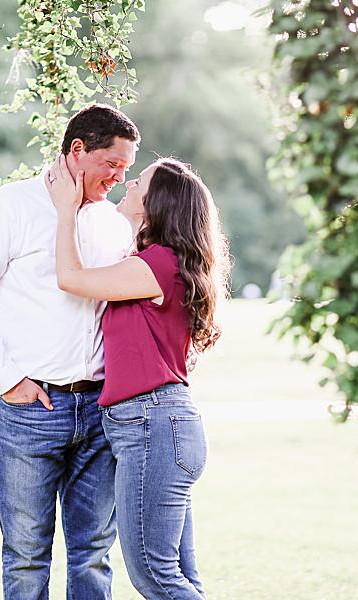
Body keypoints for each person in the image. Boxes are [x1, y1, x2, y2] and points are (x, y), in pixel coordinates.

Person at [0, 103, 140, 600]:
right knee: (27, 555)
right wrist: (9, 378)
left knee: (93, 554)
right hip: (31, 410)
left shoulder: (113, 225)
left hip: (101, 410)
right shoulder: (6, 208)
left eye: (126, 170)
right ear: (78, 150)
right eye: (112, 165)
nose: (119, 179)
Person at [45, 154, 230, 600]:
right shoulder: (157, 261)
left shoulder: (157, 266)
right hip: (162, 427)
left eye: (138, 183)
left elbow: (71, 278)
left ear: (156, 205)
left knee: (154, 575)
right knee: (179, 577)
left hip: (152, 428)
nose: (126, 185)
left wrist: (66, 210)